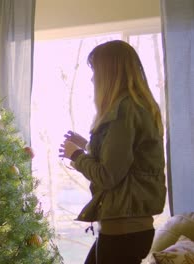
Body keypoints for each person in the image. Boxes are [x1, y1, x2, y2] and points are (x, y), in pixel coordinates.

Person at [58, 40, 166, 264]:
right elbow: (125, 160)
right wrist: (87, 146)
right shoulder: (136, 107)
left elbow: (108, 175)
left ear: (109, 74)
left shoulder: (124, 111)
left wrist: (77, 156)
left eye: (96, 71)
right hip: (129, 229)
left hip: (123, 231)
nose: (93, 78)